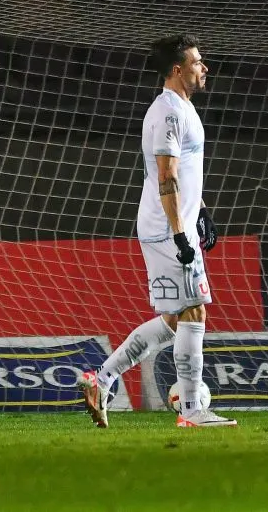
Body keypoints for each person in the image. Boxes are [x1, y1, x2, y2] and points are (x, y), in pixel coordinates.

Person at [77, 34, 236, 428]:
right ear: (178, 69)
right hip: (167, 228)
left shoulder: (183, 109)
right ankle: (192, 410)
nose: (205, 68)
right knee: (194, 309)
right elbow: (165, 174)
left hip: (171, 222)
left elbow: (184, 176)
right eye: (198, 62)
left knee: (174, 320)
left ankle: (102, 380)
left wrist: (201, 214)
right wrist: (182, 233)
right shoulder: (167, 111)